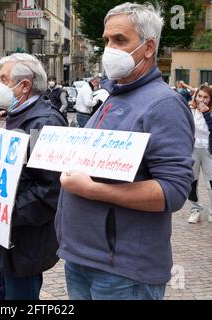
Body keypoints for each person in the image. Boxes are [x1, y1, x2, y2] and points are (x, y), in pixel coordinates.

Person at [55, 2, 194, 300]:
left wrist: (93, 190)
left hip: (123, 273)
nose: (109, 49)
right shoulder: (113, 96)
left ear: (148, 48)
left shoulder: (164, 104)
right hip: (82, 261)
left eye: (120, 40)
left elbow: (173, 191)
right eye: (106, 40)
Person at [0, 53, 68, 300]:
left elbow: (48, 189)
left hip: (23, 243)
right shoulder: (15, 116)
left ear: (24, 85)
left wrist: (2, 212)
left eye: (4, 79)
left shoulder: (43, 124)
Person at [187, 86, 212, 224]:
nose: (202, 100)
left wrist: (206, 113)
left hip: (209, 150)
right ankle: (195, 209)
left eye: (206, 97)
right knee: (192, 181)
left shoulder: (209, 112)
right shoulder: (190, 110)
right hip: (193, 149)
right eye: (200, 96)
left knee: (211, 182)